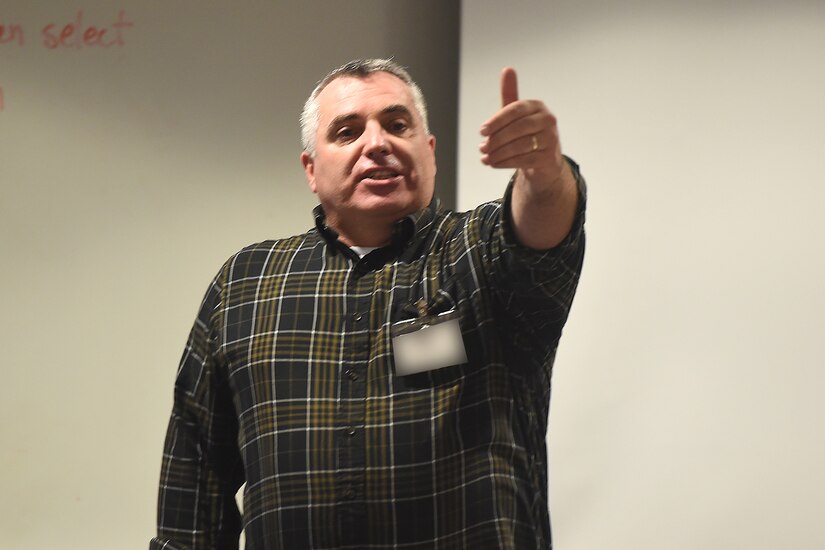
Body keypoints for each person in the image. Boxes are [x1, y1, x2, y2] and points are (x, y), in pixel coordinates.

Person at [150, 58, 586, 550]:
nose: (377, 143)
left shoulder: (481, 252)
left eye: (397, 125)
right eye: (347, 131)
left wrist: (544, 172)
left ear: (430, 151)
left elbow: (539, 232)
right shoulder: (245, 285)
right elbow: (195, 484)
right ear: (311, 169)